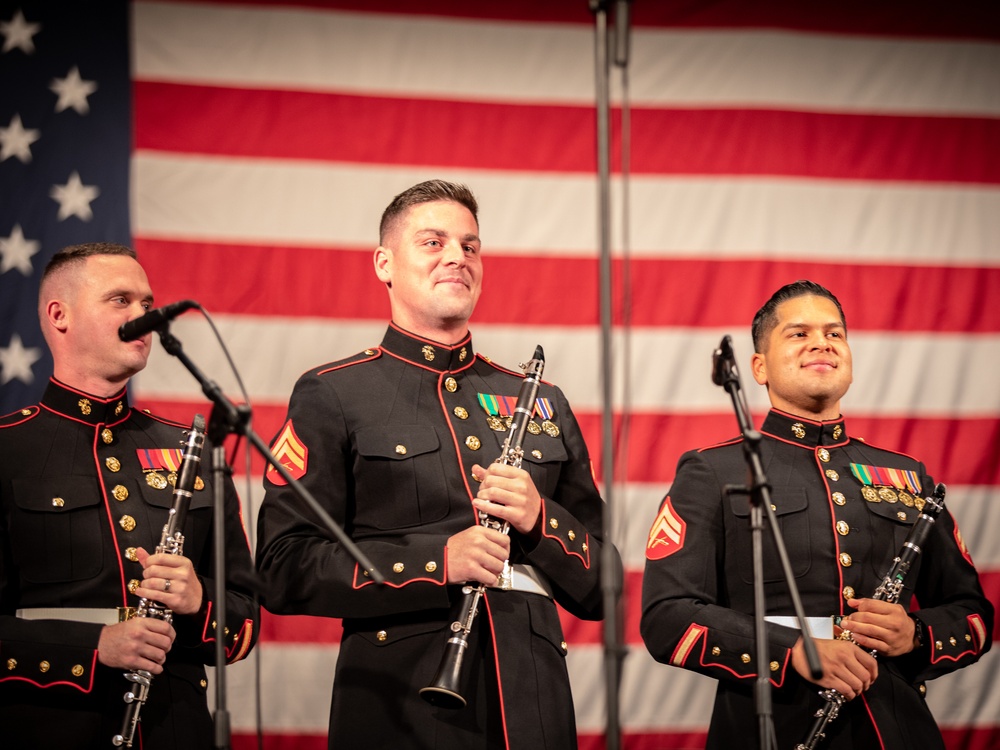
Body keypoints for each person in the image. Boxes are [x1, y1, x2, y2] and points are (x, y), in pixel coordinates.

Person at [255, 179, 619, 749]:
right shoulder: (334, 393)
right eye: (433, 242)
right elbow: (282, 566)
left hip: (534, 707)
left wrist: (539, 519)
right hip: (401, 706)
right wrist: (435, 562)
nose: (457, 256)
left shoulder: (543, 399)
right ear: (384, 263)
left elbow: (607, 588)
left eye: (470, 246)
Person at [640, 280, 993, 749]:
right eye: (798, 334)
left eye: (835, 333)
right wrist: (792, 653)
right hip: (773, 726)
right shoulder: (712, 470)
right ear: (759, 368)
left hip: (897, 726)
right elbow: (667, 618)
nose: (822, 343)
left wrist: (916, 634)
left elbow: (975, 616)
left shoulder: (907, 474)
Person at [0, 243, 260, 749]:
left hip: (176, 730)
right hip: (49, 726)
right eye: (120, 300)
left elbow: (244, 623)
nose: (141, 315)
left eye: (147, 302)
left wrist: (198, 600)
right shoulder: (8, 447)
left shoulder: (195, 449)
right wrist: (94, 648)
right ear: (60, 315)